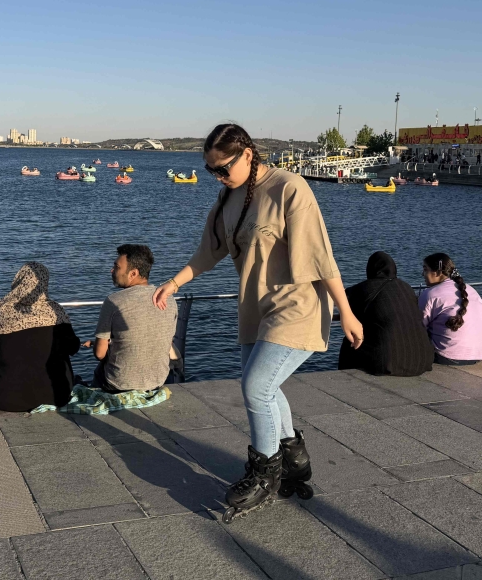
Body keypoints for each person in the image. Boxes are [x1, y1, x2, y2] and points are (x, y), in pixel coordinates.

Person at [153, 124, 363, 519]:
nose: (217, 176)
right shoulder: (228, 198)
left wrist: (346, 312)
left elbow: (321, 256)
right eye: (211, 169)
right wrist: (172, 283)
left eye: (224, 167)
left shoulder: (290, 187)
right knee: (266, 386)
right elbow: (208, 252)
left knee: (255, 386)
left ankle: (264, 473)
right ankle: (295, 459)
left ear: (248, 154)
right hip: (256, 308)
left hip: (297, 305)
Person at [0, 262, 80, 412]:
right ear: (44, 283)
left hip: (2, 397)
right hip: (54, 395)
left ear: (18, 280)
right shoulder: (55, 312)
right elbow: (73, 348)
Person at [89, 244, 177, 392]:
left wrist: (100, 345)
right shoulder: (169, 299)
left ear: (133, 273)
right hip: (158, 380)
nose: (112, 271)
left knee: (100, 370)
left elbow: (99, 354)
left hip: (120, 385)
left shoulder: (114, 301)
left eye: (117, 267)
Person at [338, 252, 433, 376]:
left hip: (387, 362)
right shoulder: (406, 288)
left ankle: (343, 375)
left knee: (350, 340)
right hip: (423, 360)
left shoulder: (362, 288)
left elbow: (350, 315)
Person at [419, 253, 482, 365]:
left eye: (425, 269)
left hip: (446, 355)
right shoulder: (471, 289)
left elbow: (418, 327)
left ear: (438, 272)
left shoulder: (430, 294)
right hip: (481, 354)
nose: (422, 274)